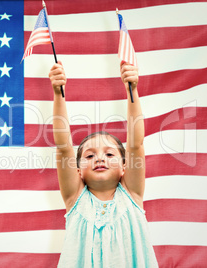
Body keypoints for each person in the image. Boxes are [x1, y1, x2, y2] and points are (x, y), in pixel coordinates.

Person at [49, 60, 158, 267]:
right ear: (78, 171)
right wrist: (57, 93)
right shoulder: (76, 199)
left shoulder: (131, 194)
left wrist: (131, 89)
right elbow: (64, 148)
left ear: (125, 167)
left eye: (109, 154)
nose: (99, 158)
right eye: (89, 156)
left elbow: (136, 145)